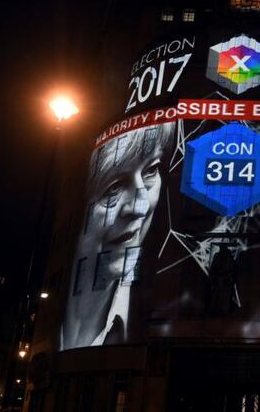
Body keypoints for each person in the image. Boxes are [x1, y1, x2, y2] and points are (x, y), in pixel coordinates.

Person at [61, 122, 175, 350]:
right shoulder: (59, 327)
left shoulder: (150, 320)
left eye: (151, 171)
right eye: (114, 187)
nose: (140, 207)